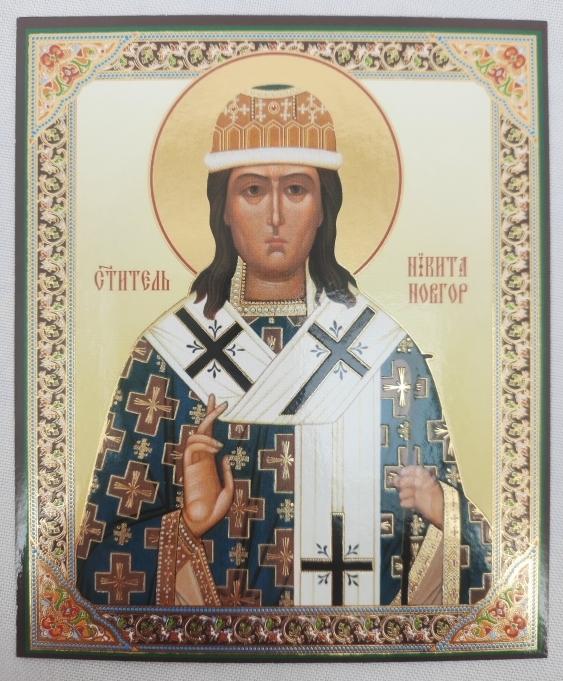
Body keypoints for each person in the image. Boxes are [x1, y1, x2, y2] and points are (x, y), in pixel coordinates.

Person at [76, 85, 491, 608]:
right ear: (224, 210)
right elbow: (92, 568)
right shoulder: (165, 358)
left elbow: (481, 575)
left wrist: (443, 512)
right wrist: (186, 525)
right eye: (252, 190)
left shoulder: (385, 355)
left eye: (296, 189)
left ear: (323, 209)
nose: (275, 216)